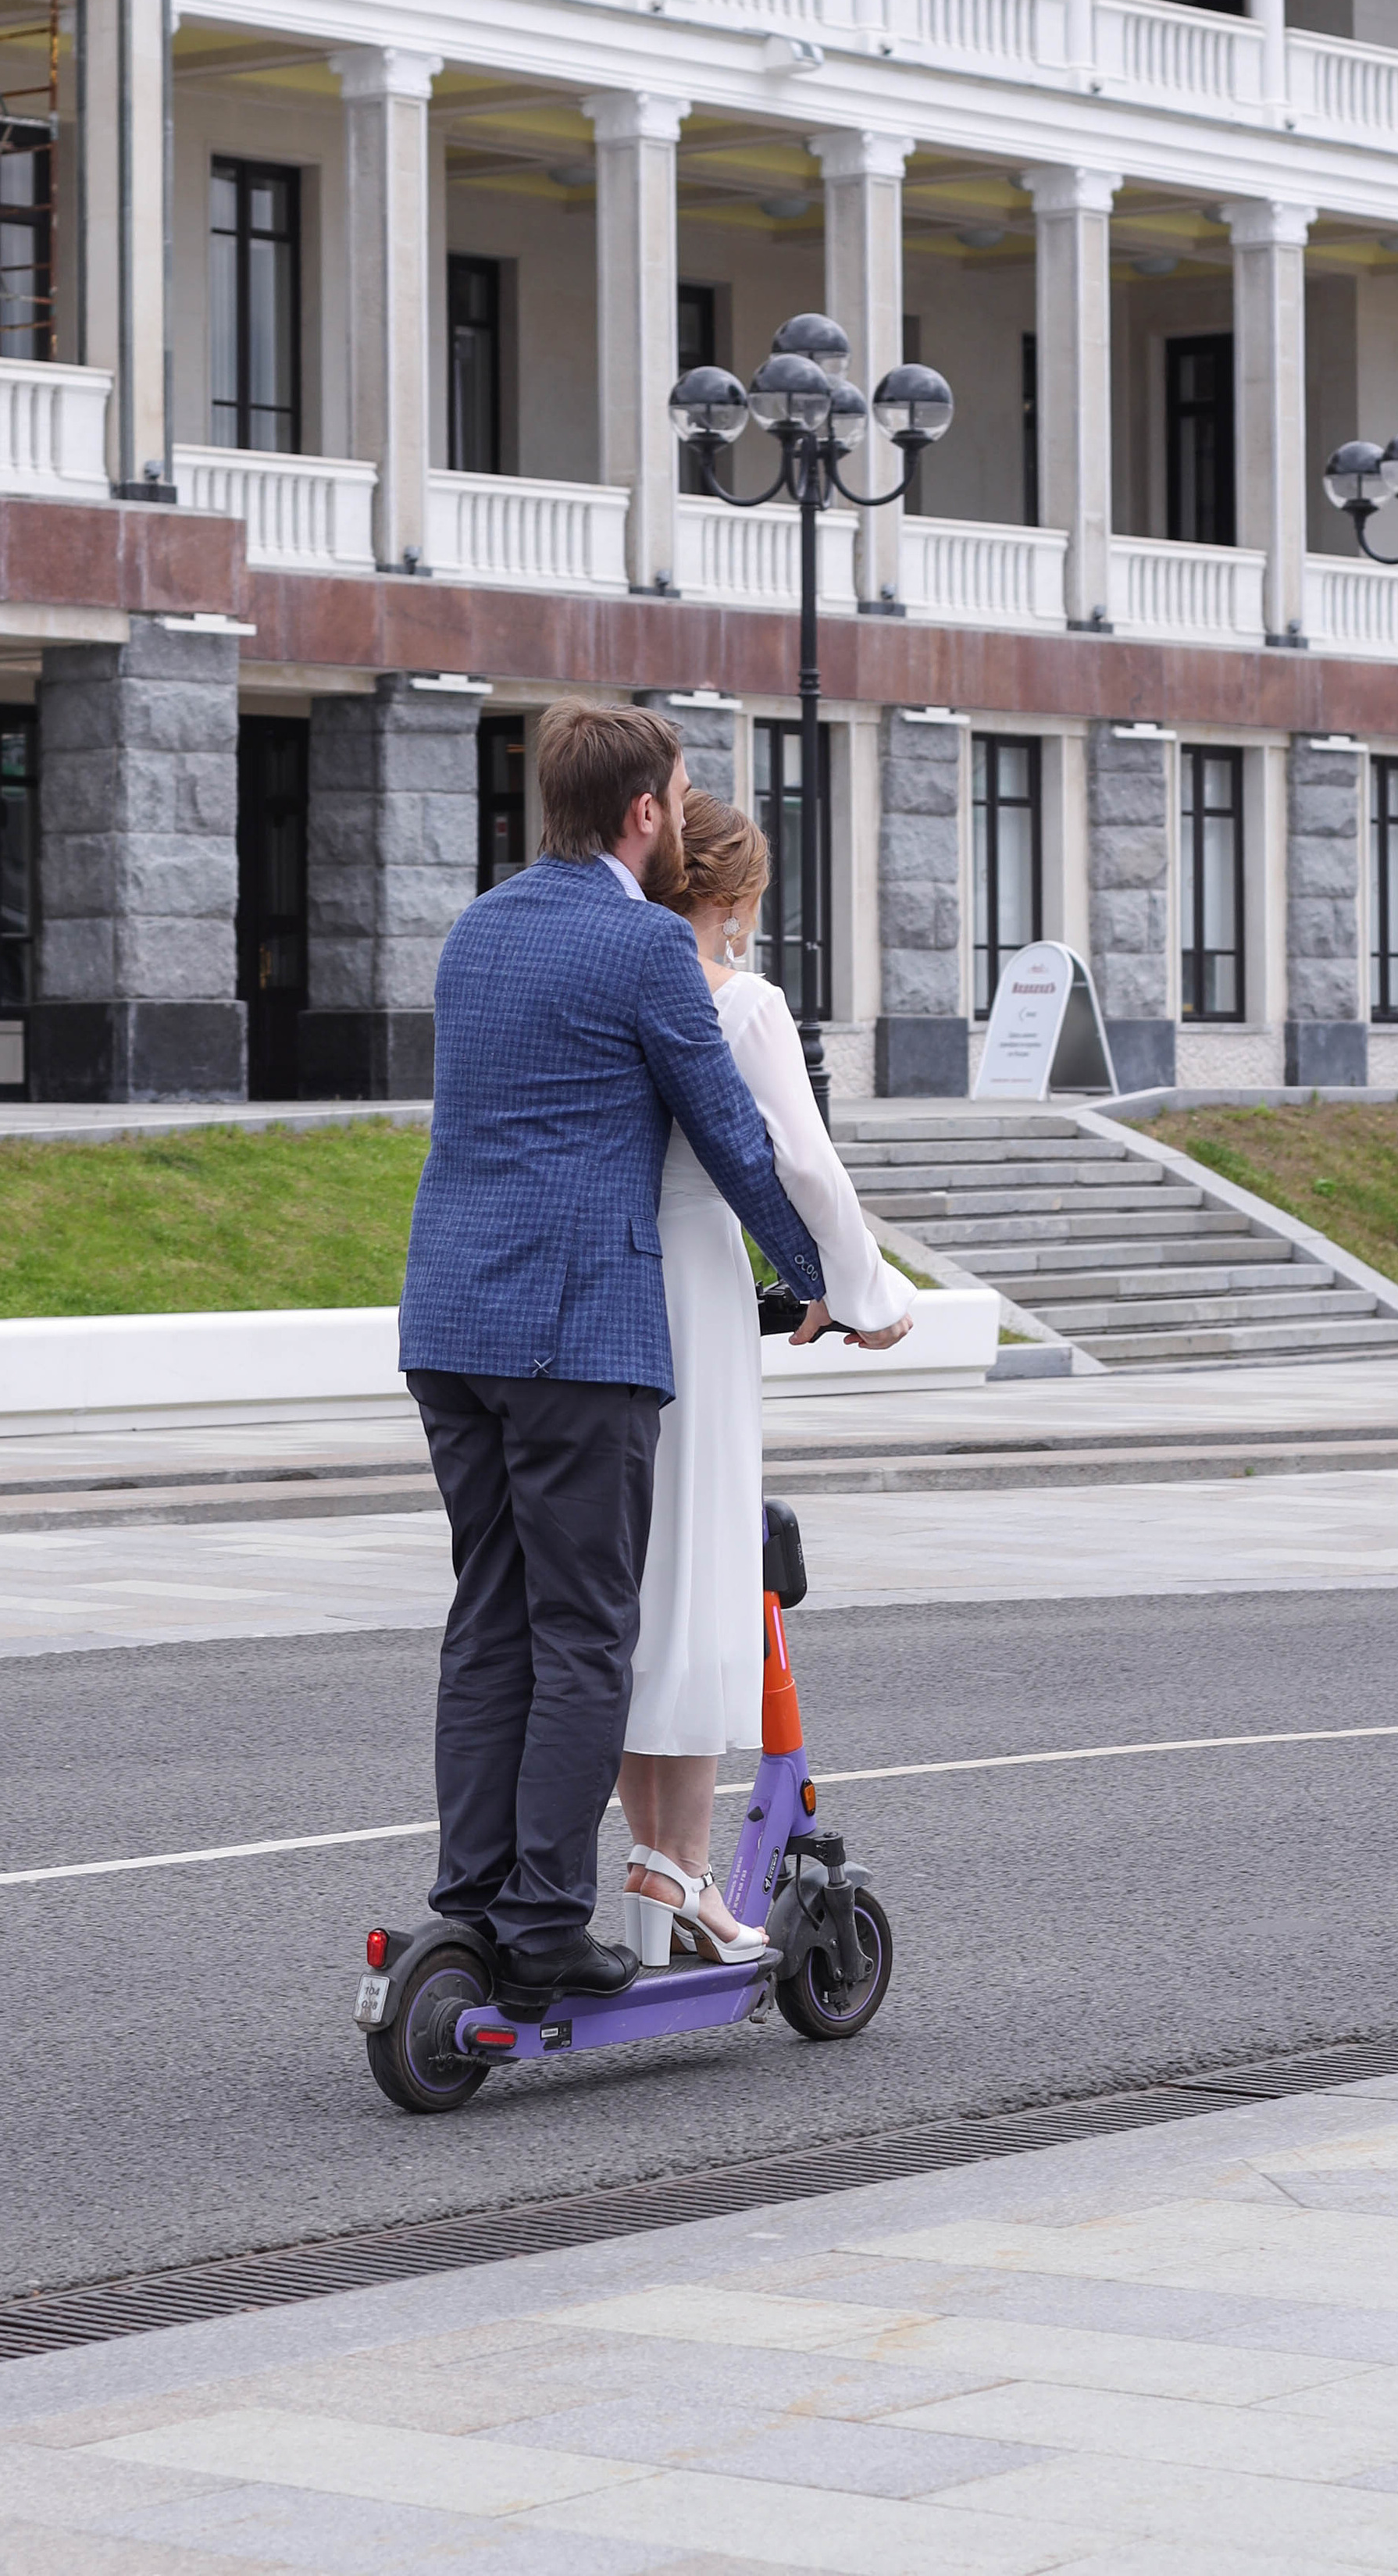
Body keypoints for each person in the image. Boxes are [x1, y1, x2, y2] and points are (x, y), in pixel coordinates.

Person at [399, 702, 832, 2008]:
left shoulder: (479, 930)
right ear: (646, 813)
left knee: (491, 1623)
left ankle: (470, 1901)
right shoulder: (645, 946)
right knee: (590, 1631)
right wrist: (815, 1283)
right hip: (577, 1334)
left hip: (450, 1324)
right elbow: (735, 1141)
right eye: (679, 792)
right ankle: (540, 1923)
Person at [618, 792, 915, 1966]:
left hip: (613, 1280)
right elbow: (801, 1158)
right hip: (693, 1280)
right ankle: (684, 1873)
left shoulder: (619, 979)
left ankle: (653, 1869)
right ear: (736, 902)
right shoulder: (740, 1000)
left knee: (643, 1584)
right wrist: (870, 1295)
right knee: (700, 1574)